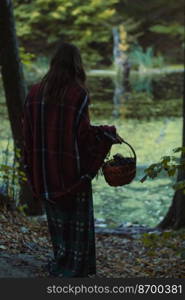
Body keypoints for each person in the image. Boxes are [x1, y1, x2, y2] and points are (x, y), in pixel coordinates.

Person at [22, 41, 123, 278]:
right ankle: (76, 269)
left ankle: (61, 263)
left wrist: (31, 169)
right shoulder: (78, 94)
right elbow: (84, 137)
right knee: (77, 226)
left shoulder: (34, 92)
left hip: (45, 174)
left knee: (58, 224)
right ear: (77, 66)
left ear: (53, 63)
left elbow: (28, 136)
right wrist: (106, 133)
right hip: (72, 174)